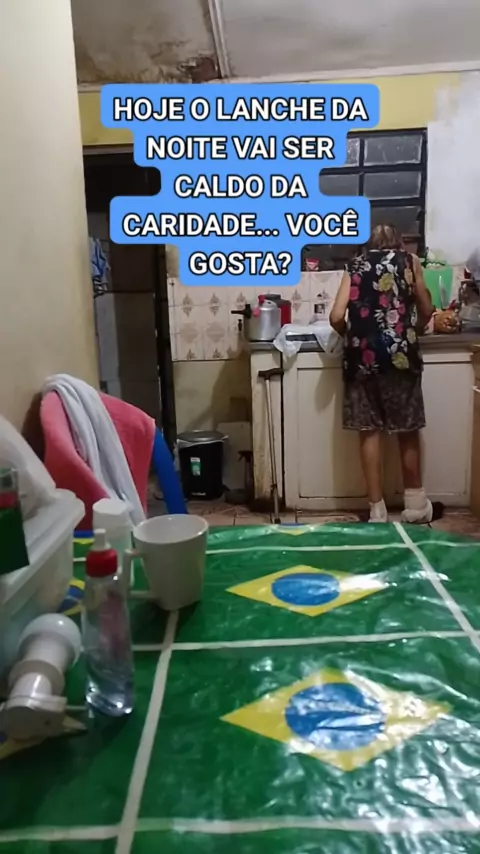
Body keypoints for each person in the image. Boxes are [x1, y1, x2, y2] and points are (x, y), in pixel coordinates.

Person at [329, 224, 443, 524]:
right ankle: (416, 506)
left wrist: (351, 336)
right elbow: (426, 308)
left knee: (369, 430)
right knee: (407, 428)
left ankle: (377, 509)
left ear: (368, 245)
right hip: (401, 356)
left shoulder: (354, 266)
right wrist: (414, 331)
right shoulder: (410, 262)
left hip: (362, 358)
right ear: (399, 242)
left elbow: (336, 316)